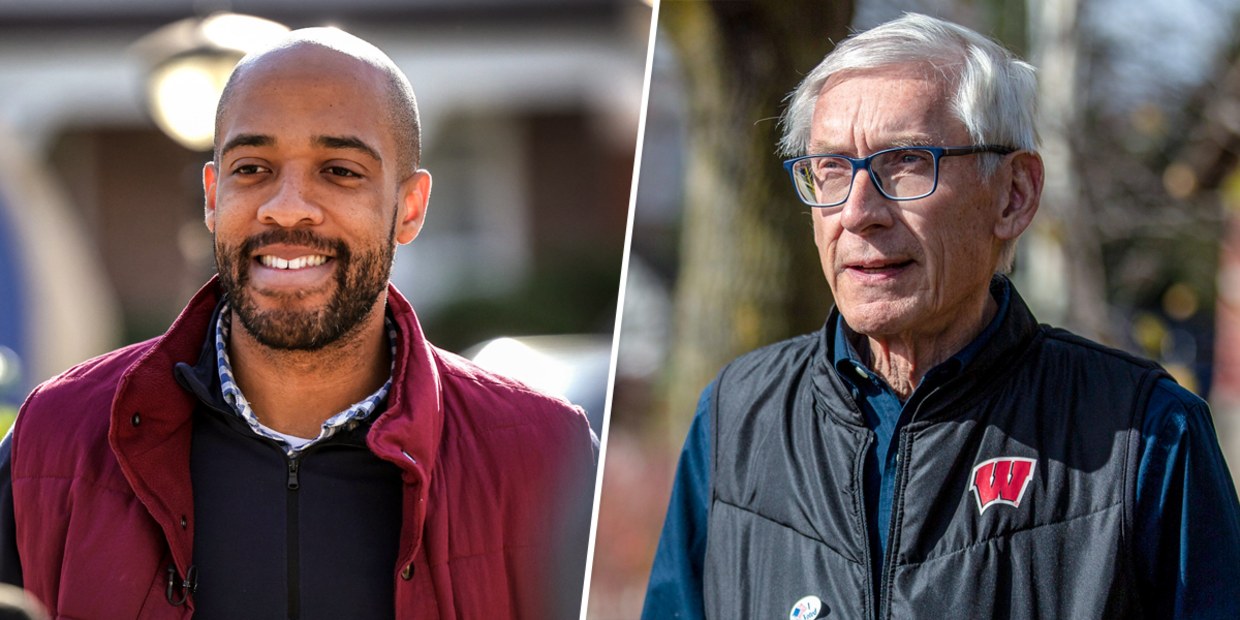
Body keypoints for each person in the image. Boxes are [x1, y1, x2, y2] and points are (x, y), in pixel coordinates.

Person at [643, 13, 1240, 620]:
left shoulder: (1146, 434)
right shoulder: (736, 416)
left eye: (905, 161)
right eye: (831, 168)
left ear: (1014, 195)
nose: (858, 212)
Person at [0, 28, 597, 619]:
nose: (286, 207)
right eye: (252, 167)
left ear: (410, 208)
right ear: (212, 197)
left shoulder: (547, 456)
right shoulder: (55, 440)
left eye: (339, 170)